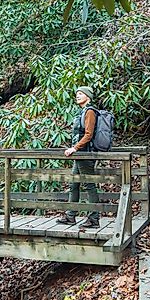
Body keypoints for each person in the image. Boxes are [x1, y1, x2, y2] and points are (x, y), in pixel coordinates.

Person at [56, 86, 100, 229]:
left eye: (81, 94)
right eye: (77, 94)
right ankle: (70, 216)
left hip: (85, 154)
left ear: (88, 96)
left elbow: (89, 134)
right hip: (79, 154)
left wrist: (74, 148)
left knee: (89, 184)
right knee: (73, 184)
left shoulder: (90, 112)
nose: (78, 96)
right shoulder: (82, 112)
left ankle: (94, 218)